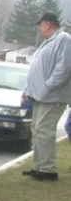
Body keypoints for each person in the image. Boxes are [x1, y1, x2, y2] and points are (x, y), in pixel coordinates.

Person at [21, 13, 71, 181]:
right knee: (37, 129)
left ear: (48, 24)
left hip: (52, 96)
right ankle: (39, 167)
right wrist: (28, 89)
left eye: (41, 25)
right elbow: (37, 69)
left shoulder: (63, 39)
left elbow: (63, 68)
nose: (40, 29)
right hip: (39, 95)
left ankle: (49, 170)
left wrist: (49, 86)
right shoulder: (46, 43)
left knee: (44, 130)